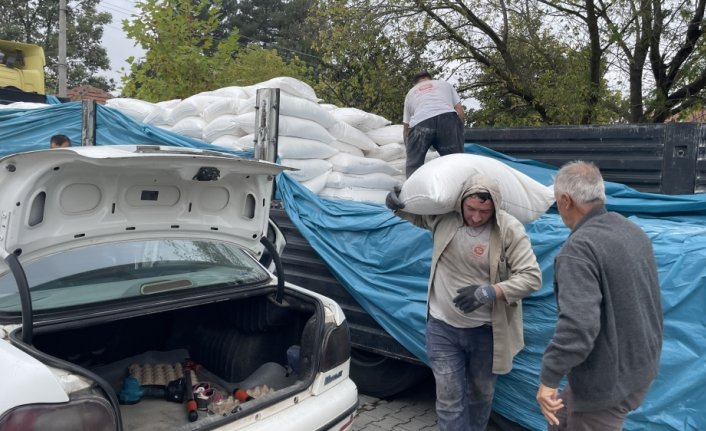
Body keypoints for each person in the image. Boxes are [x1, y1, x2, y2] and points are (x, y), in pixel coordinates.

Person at [386, 175, 542, 431]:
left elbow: (531, 277)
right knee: (449, 400)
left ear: (495, 207)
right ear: (461, 203)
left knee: (480, 396)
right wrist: (395, 203)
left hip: (486, 333)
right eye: (471, 209)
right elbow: (414, 215)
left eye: (484, 211)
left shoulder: (509, 230)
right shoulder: (444, 218)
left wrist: (489, 292)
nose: (477, 217)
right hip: (442, 328)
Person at [536, 161, 663, 431]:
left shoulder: (579, 249)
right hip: (639, 368)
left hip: (607, 383)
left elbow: (578, 328)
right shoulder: (630, 230)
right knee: (560, 421)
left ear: (566, 200)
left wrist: (548, 379)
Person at [402, 70, 465, 177]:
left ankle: (413, 190)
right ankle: (461, 189)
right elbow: (460, 111)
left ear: (415, 83)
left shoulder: (411, 93)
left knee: (414, 166)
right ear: (430, 79)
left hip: (420, 121)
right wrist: (458, 133)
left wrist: (410, 150)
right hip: (447, 118)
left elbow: (406, 128)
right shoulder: (445, 85)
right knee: (456, 162)